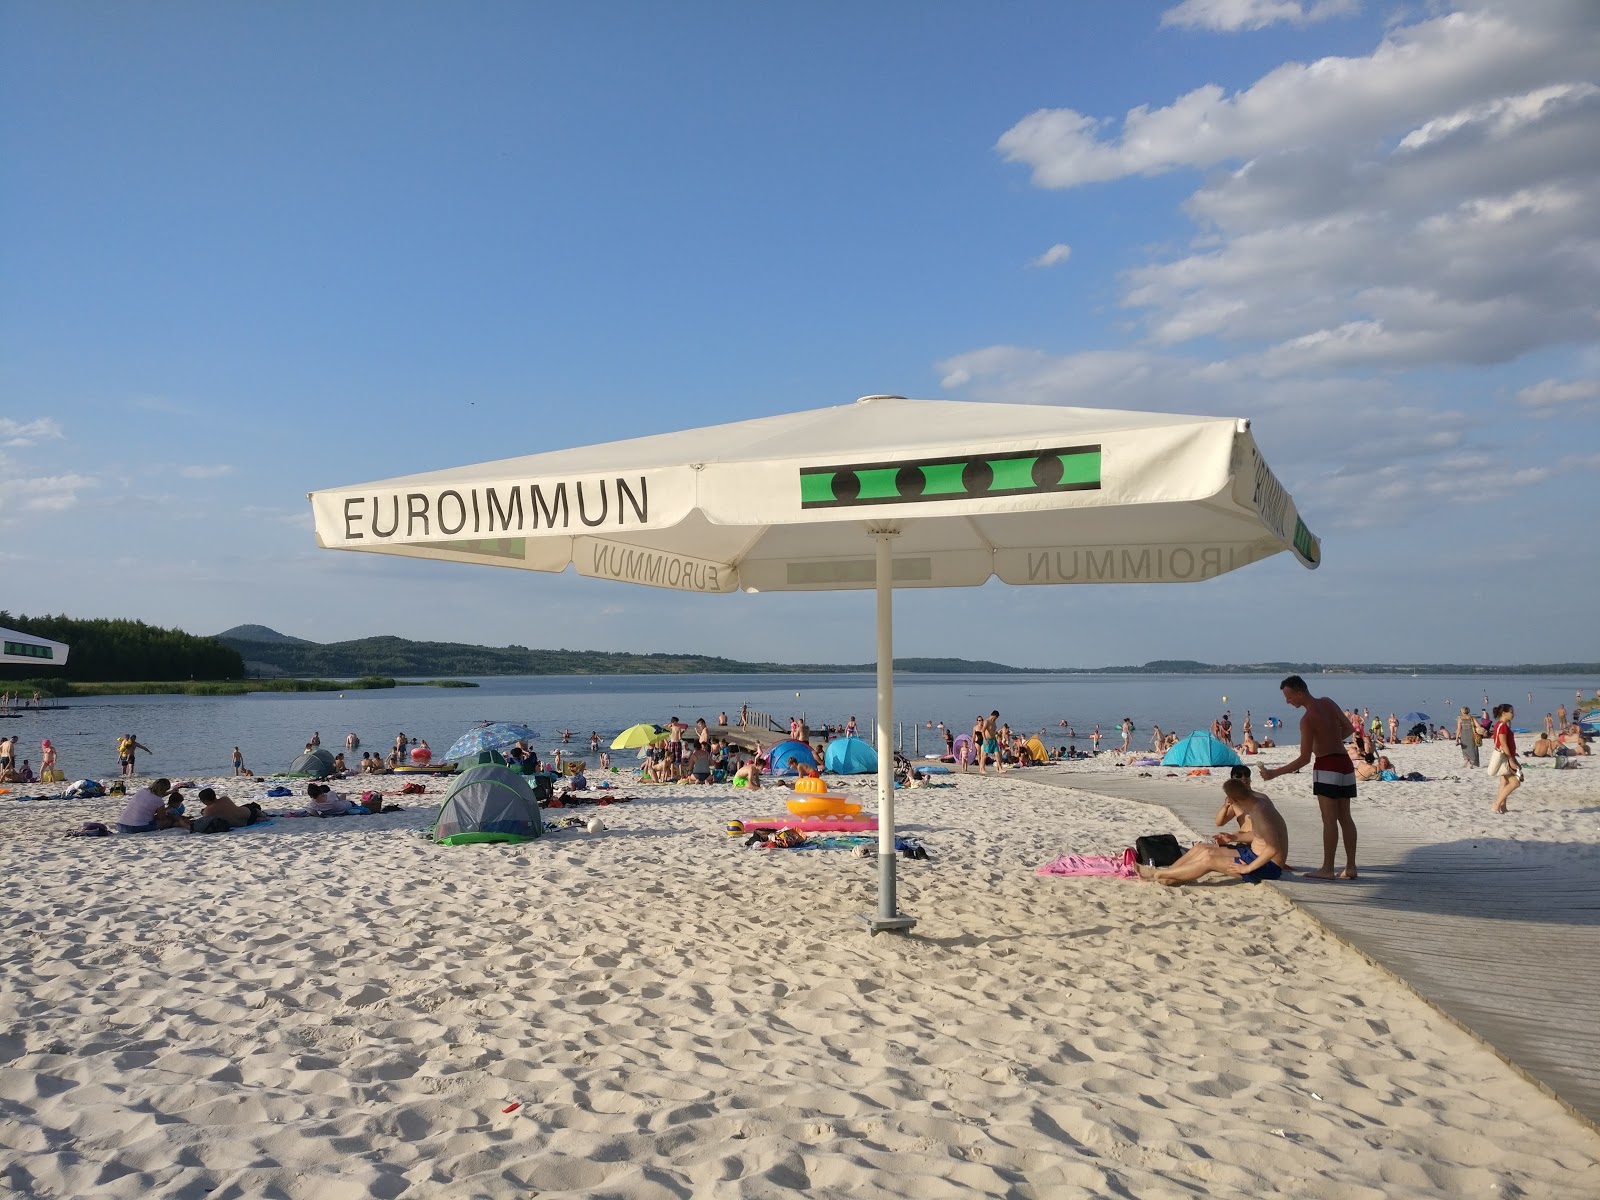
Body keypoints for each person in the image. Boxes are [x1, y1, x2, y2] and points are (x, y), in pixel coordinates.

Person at [1259, 675, 1357, 880]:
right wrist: (1331, 739)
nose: (1288, 701)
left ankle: (1327, 869)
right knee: (1345, 817)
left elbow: (1304, 759)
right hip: (1344, 763)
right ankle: (1350, 867)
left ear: (1300, 692)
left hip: (1327, 766)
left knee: (1329, 819)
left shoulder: (1307, 719)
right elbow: (1349, 728)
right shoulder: (1328, 702)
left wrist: (1273, 773)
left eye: (1289, 697)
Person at [1139, 779, 1287, 886]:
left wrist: (1247, 868)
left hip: (1268, 867)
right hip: (1253, 854)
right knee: (1203, 849)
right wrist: (1233, 837)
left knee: (1208, 860)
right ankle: (1170, 875)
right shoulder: (1258, 803)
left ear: (1233, 799)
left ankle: (1156, 874)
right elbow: (1260, 836)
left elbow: (1273, 848)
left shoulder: (1261, 814)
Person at [1490, 703, 1521, 814]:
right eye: (1511, 712)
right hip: (1505, 757)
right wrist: (1511, 759)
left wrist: (1513, 755)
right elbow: (1503, 744)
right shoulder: (1502, 725)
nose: (1513, 714)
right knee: (1515, 782)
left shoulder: (1500, 725)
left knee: (1504, 783)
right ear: (1504, 713)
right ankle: (1496, 804)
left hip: (1507, 756)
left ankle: (1503, 807)